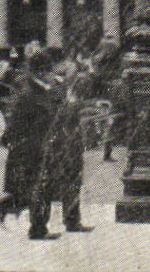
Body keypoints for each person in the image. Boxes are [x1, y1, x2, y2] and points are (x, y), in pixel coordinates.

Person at [0, 50, 60, 226]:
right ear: (41, 72)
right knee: (38, 188)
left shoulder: (43, 91)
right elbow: (17, 121)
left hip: (42, 145)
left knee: (38, 188)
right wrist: (7, 138)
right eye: (50, 71)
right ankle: (37, 229)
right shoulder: (29, 94)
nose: (52, 75)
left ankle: (9, 208)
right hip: (31, 148)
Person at [28, 65, 91, 239]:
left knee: (73, 182)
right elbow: (58, 116)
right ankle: (38, 228)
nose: (80, 77)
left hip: (71, 145)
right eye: (76, 73)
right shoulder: (56, 91)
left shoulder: (69, 91)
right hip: (57, 145)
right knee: (45, 185)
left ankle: (72, 221)